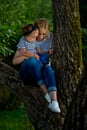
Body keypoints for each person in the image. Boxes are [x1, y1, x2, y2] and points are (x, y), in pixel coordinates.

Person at [12, 20, 61, 113]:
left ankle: (54, 102)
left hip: (41, 70)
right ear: (34, 31)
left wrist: (49, 52)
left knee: (47, 67)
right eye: (39, 34)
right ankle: (46, 93)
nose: (41, 37)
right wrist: (28, 55)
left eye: (44, 34)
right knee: (32, 61)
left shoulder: (50, 38)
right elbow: (15, 61)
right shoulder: (27, 41)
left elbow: (43, 53)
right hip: (28, 73)